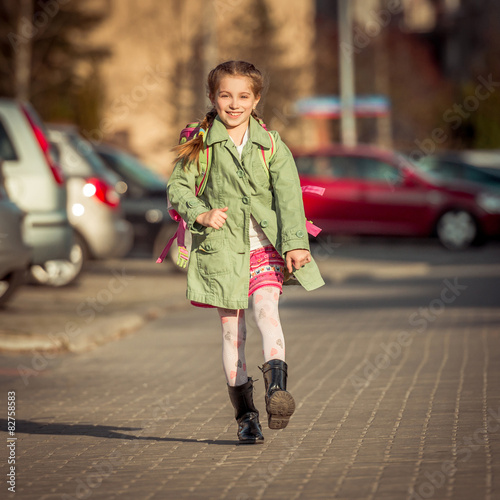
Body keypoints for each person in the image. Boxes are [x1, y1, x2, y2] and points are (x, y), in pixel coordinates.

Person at [167, 60, 324, 444]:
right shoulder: (200, 142)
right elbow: (177, 189)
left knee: (267, 311)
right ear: (213, 97)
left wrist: (297, 244)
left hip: (263, 247)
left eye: (243, 96)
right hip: (221, 253)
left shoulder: (271, 144)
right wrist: (200, 212)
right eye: (225, 95)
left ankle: (276, 392)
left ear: (256, 100)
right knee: (232, 335)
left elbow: (288, 196)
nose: (234, 104)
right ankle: (246, 416)